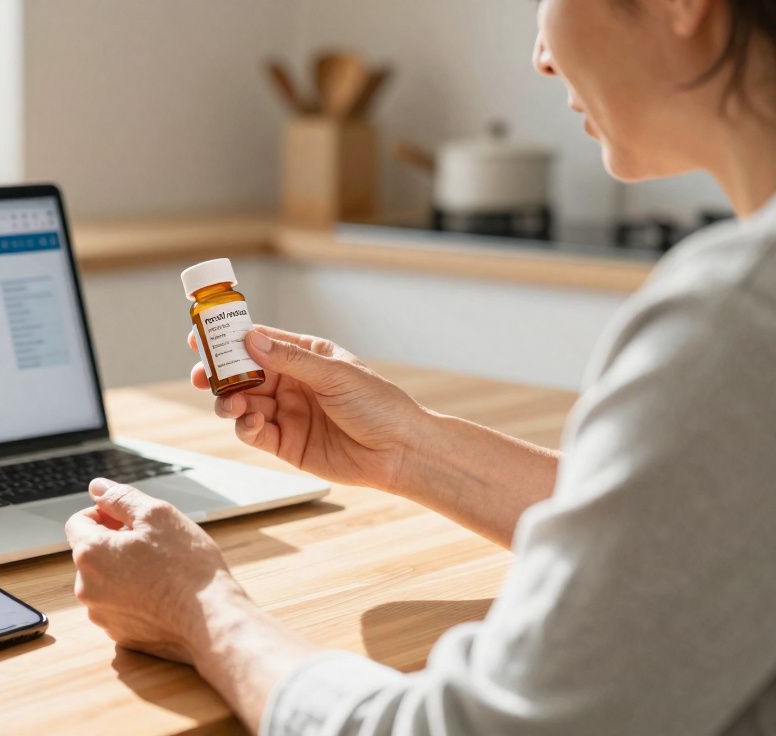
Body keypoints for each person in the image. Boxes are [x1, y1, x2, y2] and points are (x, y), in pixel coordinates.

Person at [64, 0, 776, 733]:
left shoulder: (739, 315)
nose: (541, 54)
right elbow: (696, 515)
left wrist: (201, 609)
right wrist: (408, 448)